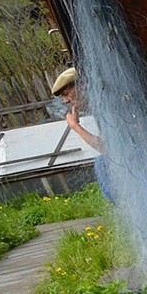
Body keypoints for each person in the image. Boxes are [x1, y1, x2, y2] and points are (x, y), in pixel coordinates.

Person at [52, 66, 112, 201]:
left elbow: (104, 149)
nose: (65, 101)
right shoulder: (100, 108)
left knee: (101, 164)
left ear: (82, 85)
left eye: (66, 93)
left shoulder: (108, 106)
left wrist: (75, 126)